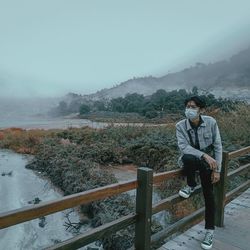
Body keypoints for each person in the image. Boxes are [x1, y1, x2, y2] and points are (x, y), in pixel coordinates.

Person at [176, 96, 222, 250]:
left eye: (193, 107)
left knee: (209, 196)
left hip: (208, 165)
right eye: (188, 106)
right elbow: (184, 147)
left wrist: (217, 170)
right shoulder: (180, 126)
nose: (189, 109)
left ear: (201, 110)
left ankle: (209, 231)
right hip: (193, 161)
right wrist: (204, 155)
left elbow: (218, 146)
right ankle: (190, 184)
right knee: (188, 157)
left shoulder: (211, 122)